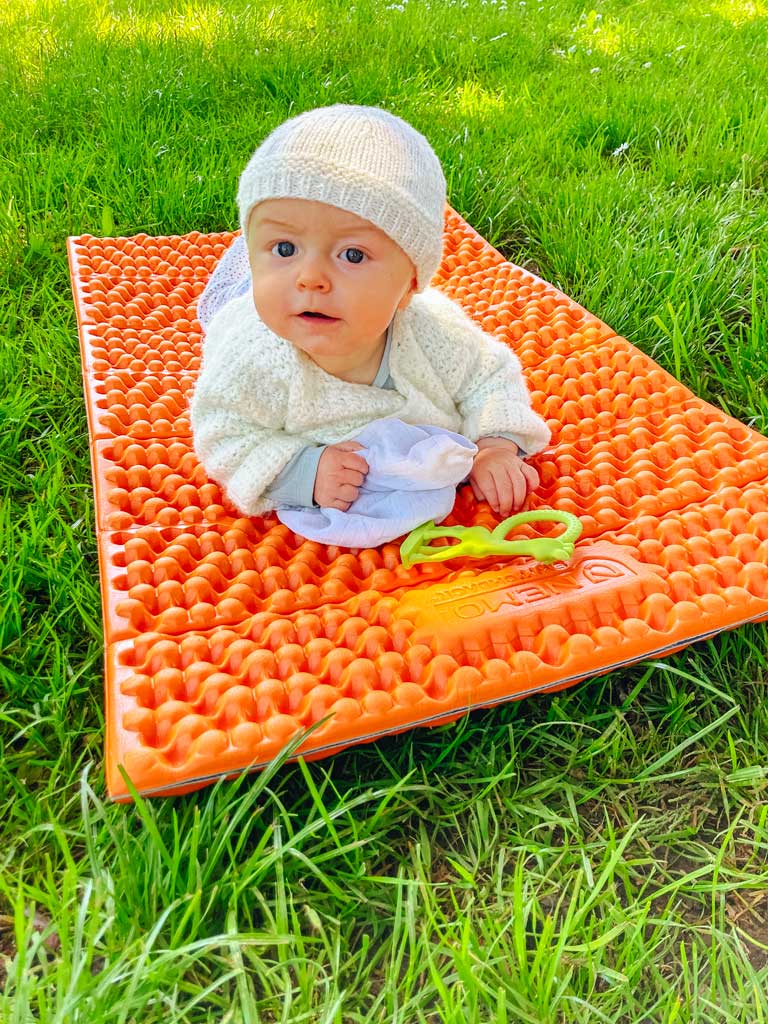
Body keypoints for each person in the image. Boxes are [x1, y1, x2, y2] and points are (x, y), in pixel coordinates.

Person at [190, 104, 550, 544]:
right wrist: (301, 471)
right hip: (246, 309)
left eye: (353, 255)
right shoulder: (253, 357)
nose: (310, 278)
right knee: (232, 302)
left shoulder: (432, 333)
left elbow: (489, 378)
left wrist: (496, 445)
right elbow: (224, 433)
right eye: (283, 248)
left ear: (410, 282)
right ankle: (244, 273)